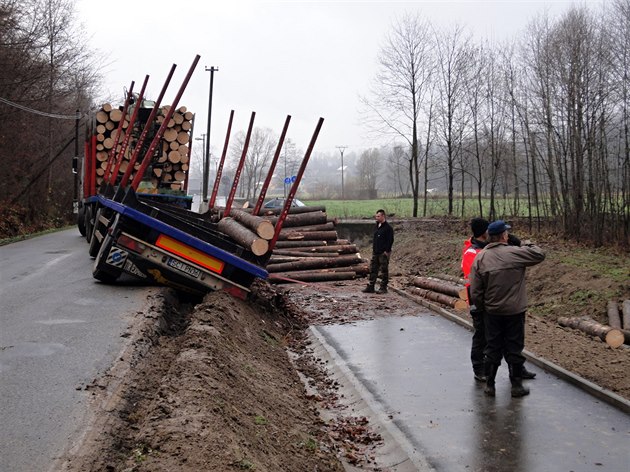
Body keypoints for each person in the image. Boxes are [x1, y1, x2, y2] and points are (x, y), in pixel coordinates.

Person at [469, 220, 545, 397]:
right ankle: (516, 386)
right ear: (504, 236)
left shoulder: (481, 258)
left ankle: (490, 384)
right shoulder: (515, 253)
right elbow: (540, 254)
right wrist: (523, 242)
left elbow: (476, 290)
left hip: (492, 312)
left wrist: (484, 307)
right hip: (514, 311)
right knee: (514, 347)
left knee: (492, 347)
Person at [461, 218, 490, 382]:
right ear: (483, 232)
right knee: (481, 336)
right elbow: (473, 281)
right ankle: (479, 368)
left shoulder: (484, 249)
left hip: (489, 299)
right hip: (478, 301)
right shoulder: (471, 253)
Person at [362, 209, 394, 294]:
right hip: (375, 252)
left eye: (378, 216)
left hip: (383, 253)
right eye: (376, 216)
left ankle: (383, 287)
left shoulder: (388, 228)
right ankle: (371, 286)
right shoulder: (377, 226)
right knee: (373, 270)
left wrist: (386, 251)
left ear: (383, 216)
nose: (376, 218)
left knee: (384, 271)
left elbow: (390, 240)